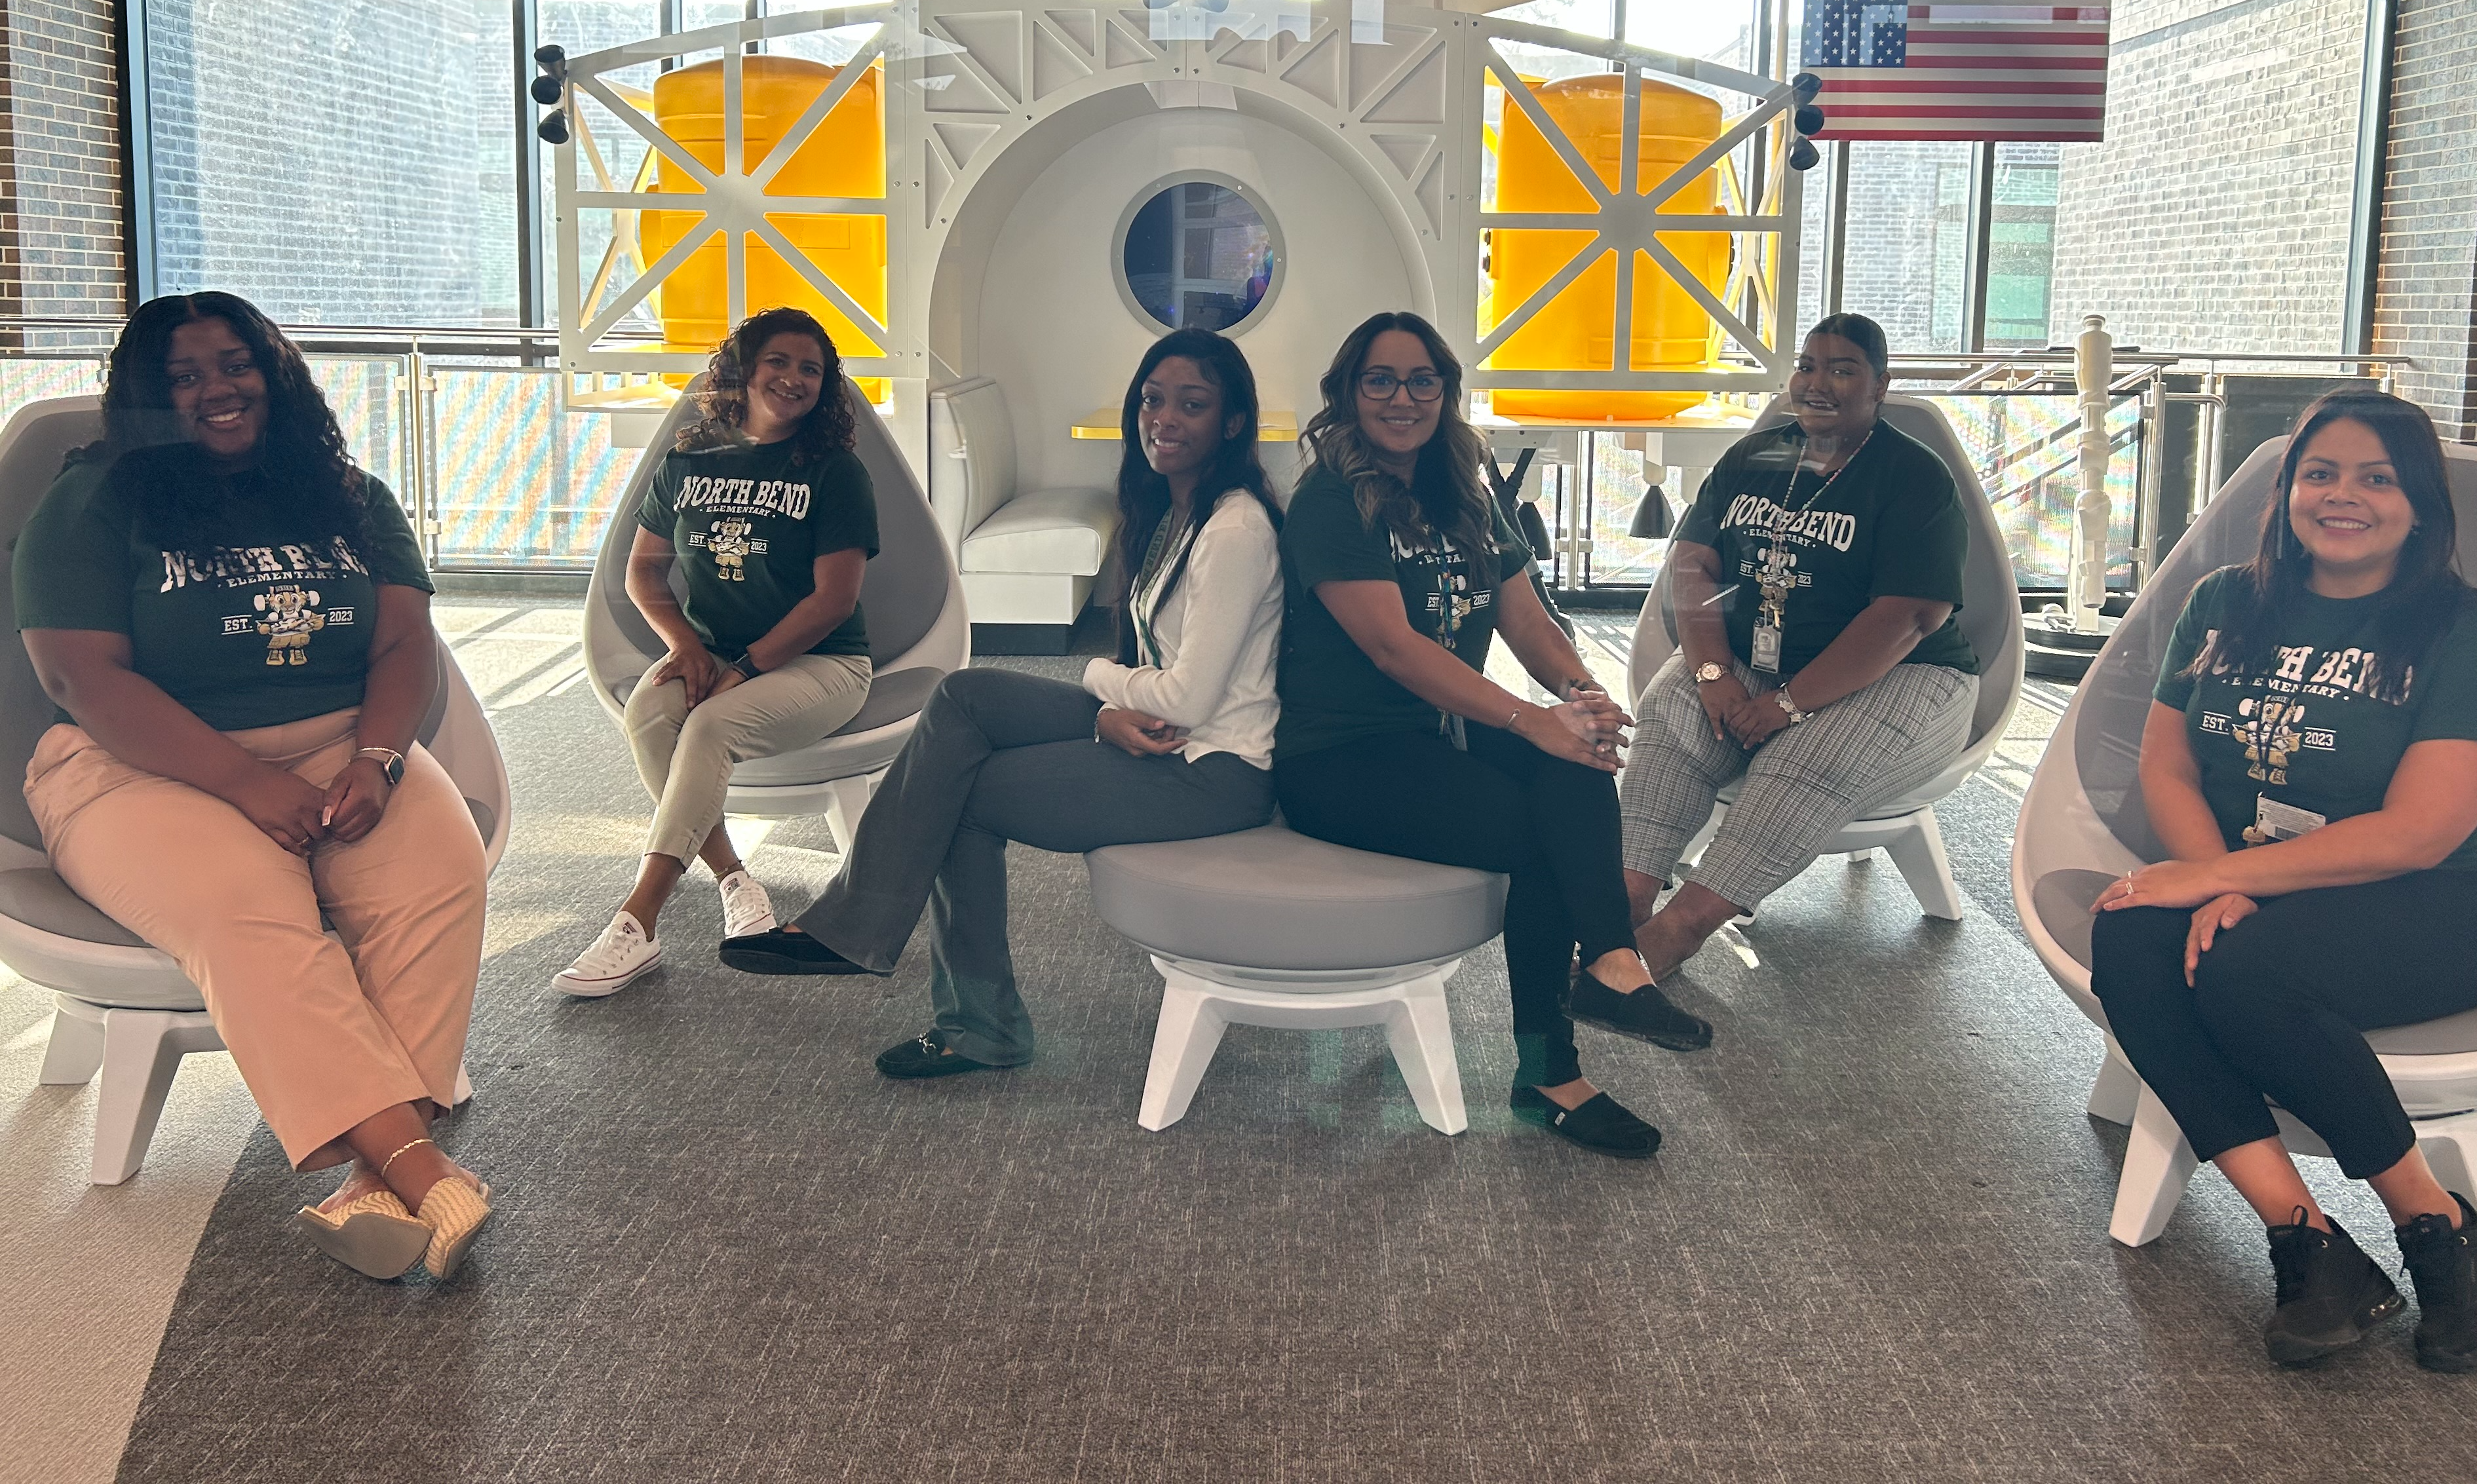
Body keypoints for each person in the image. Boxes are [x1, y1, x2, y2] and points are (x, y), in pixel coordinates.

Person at [16, 292, 491, 1281]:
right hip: (135, 766)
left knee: (439, 872)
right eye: (183, 378)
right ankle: (424, 1167)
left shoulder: (349, 494)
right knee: (250, 909)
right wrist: (240, 780)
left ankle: (371, 1190)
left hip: (340, 746)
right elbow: (81, 677)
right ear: (148, 399)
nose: (217, 391)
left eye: (235, 365)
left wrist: (380, 758)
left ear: (272, 371)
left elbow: (404, 641)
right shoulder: (94, 498)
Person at [2090, 387, 2477, 1373]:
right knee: (2127, 928)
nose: (2344, 495)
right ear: (2287, 489)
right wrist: (2214, 883)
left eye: (2378, 478)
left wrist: (2238, 881)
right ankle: (2311, 1242)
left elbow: (2419, 835)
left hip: (2449, 902)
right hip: (2252, 881)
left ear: (2420, 505)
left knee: (2246, 972)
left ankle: (2440, 1230)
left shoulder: (2470, 636)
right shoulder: (2223, 605)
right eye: (2320, 473)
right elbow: (2166, 765)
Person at [720, 328, 1285, 1081]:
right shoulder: (1173, 510)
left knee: (961, 792)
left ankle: (973, 1021)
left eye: (1193, 404)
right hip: (1167, 733)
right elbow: (1161, 675)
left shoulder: (1235, 528)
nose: (1164, 419)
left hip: (1212, 768)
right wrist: (1112, 704)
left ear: (1233, 422)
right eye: (1152, 400)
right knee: (965, 695)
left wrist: (1094, 682)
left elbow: (1187, 694)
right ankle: (867, 933)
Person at [1271, 311, 1708, 1161]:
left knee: (1575, 762)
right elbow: (1394, 649)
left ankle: (1612, 965)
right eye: (1380, 380)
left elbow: (1524, 616)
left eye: (1422, 380)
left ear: (1446, 391)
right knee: (1544, 831)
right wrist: (1527, 717)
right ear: (1349, 394)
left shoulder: (1464, 488)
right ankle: (1552, 1071)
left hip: (1440, 739)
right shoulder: (1330, 496)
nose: (1403, 398)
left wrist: (1579, 698)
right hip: (1340, 757)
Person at [1621, 314, 1980, 977]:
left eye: (1843, 369)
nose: (1818, 383)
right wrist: (1709, 673)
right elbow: (1693, 566)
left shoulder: (1912, 477)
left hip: (1906, 675)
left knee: (1802, 767)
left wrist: (1787, 706)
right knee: (1671, 724)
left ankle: (1683, 928)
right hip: (1759, 661)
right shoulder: (1752, 458)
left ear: (1880, 385)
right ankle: (1627, 903)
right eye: (1808, 365)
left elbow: (1908, 616)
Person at [556, 307, 877, 997]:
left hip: (826, 665)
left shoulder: (835, 473)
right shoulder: (690, 458)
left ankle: (637, 919)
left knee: (708, 726)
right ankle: (736, 878)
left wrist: (744, 669)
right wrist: (688, 648)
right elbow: (643, 571)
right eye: (779, 363)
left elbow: (834, 602)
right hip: (717, 653)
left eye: (811, 370)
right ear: (744, 370)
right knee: (649, 714)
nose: (795, 379)